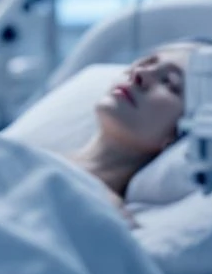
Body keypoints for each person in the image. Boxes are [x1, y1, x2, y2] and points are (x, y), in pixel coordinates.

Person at [68, 40, 201, 223]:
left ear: (179, 133)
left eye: (168, 81)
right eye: (147, 62)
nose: (140, 73)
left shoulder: (102, 213)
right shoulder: (32, 155)